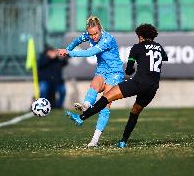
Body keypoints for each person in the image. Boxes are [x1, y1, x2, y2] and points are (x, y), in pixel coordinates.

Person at [65, 23, 168, 148]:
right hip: (152, 87)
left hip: (138, 82)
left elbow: (129, 70)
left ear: (140, 36)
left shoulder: (137, 47)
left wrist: (132, 68)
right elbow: (164, 58)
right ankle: (123, 141)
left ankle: (81, 118)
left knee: (106, 97)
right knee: (135, 112)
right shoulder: (159, 47)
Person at [58, 15, 124, 147]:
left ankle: (94, 140)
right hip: (102, 70)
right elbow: (77, 40)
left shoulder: (107, 39)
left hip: (115, 73)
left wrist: (68, 53)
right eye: (91, 34)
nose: (93, 37)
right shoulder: (88, 35)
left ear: (100, 29)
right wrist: (68, 49)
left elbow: (89, 53)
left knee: (105, 104)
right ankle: (86, 106)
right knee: (94, 84)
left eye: (96, 33)